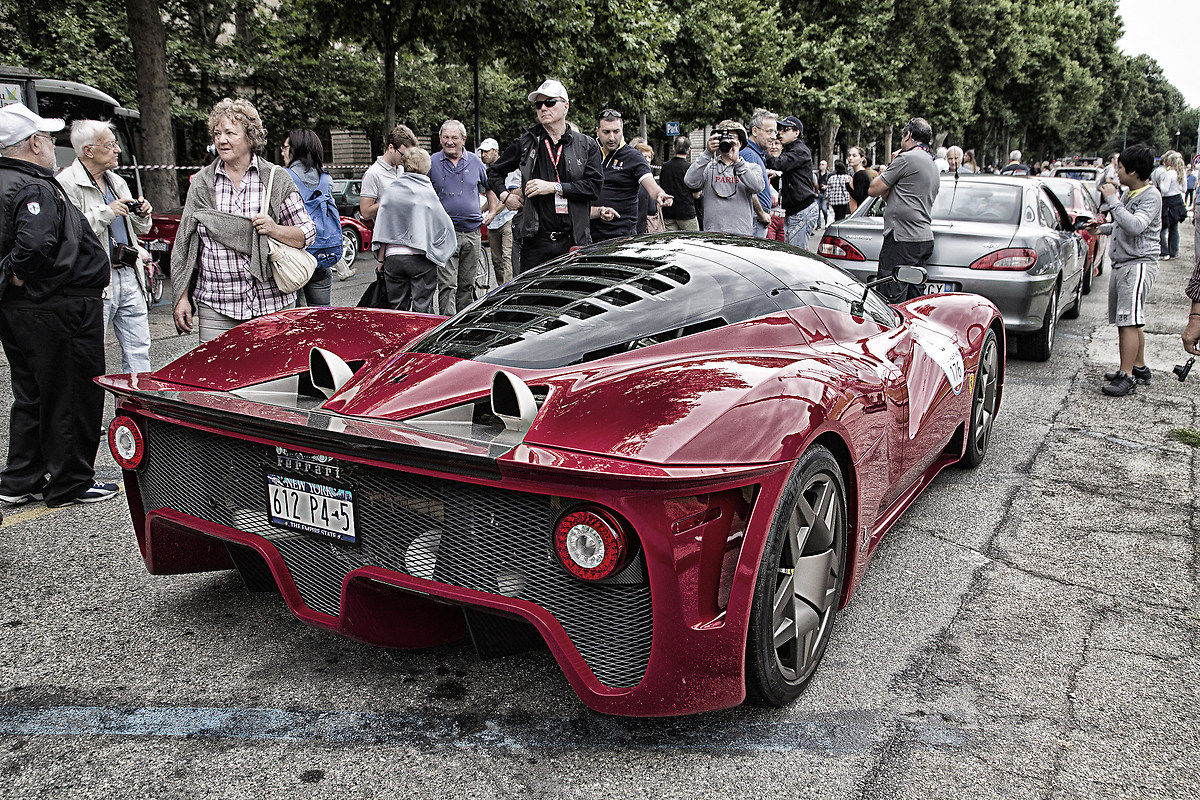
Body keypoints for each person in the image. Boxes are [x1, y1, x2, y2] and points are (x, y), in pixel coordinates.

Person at [0, 102, 117, 507]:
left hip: (23, 308)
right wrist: (18, 272)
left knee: (32, 392)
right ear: (33, 143)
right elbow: (34, 243)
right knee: (71, 393)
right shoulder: (32, 185)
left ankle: (22, 477)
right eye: (48, 138)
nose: (52, 145)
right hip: (57, 306)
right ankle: (68, 481)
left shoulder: (9, 180)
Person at [171, 98, 315, 342]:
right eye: (217, 133)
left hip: (271, 303)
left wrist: (274, 229)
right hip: (216, 304)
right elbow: (184, 243)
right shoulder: (202, 183)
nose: (221, 140)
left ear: (250, 137)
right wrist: (181, 296)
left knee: (272, 375)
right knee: (217, 378)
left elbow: (307, 233)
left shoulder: (275, 178)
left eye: (230, 132)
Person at [56, 119, 154, 374]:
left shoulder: (116, 181)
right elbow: (68, 232)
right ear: (88, 150)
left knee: (139, 348)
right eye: (110, 144)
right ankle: (89, 410)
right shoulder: (67, 183)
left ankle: (136, 407)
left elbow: (141, 230)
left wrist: (142, 213)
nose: (118, 149)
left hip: (129, 273)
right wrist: (106, 212)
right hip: (96, 280)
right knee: (89, 350)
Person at [486, 79, 603, 271]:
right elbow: (493, 172)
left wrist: (553, 187)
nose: (543, 108)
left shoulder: (586, 144)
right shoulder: (526, 142)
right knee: (534, 297)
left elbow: (594, 187)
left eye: (549, 102)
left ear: (565, 107)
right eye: (538, 104)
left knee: (574, 295)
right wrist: (506, 197)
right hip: (536, 240)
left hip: (574, 239)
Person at [1087, 144, 1160, 396]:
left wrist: (1113, 200)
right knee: (1131, 319)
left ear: (1134, 171)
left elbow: (1136, 226)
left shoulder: (1150, 196)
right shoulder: (1131, 194)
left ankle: (1126, 376)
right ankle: (1138, 367)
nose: (1116, 171)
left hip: (1137, 264)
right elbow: (1122, 224)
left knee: (1128, 321)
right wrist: (1102, 228)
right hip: (1124, 264)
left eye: (1119, 167)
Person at [372, 147, 456, 314]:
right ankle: (423, 339)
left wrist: (381, 260)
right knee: (422, 308)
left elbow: (383, 227)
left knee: (397, 309)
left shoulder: (391, 191)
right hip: (420, 257)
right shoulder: (427, 192)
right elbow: (443, 224)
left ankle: (400, 338)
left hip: (393, 257)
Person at [867, 117, 940, 304]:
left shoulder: (907, 159)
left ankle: (894, 332)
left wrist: (892, 163)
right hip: (922, 237)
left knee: (892, 296)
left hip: (902, 238)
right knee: (915, 299)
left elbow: (874, 189)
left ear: (908, 135)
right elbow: (889, 196)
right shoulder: (932, 162)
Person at [429, 120, 491, 315]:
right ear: (440, 139)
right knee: (447, 283)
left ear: (463, 139)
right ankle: (446, 323)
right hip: (445, 233)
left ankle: (463, 323)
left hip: (472, 232)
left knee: (467, 283)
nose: (449, 142)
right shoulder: (431, 162)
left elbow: (490, 187)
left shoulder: (475, 161)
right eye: (445, 137)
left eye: (454, 137)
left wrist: (492, 211)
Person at [589, 110, 671, 241]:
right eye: (606, 132)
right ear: (597, 131)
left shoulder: (634, 157)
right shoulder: (590, 153)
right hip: (589, 233)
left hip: (621, 235)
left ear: (622, 130)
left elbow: (650, 183)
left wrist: (659, 194)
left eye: (616, 132)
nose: (611, 137)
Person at [281, 129, 342, 306]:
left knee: (295, 319)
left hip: (294, 260)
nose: (283, 152)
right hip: (322, 255)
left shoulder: (284, 177)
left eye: (285, 147)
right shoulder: (326, 179)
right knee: (322, 316)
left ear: (296, 149)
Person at [684, 120, 764, 237]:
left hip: (741, 235)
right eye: (722, 137)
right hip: (713, 235)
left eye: (732, 137)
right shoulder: (709, 167)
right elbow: (689, 181)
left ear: (740, 143)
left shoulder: (751, 167)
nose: (727, 141)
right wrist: (707, 153)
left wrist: (737, 162)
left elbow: (758, 187)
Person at [763, 116, 819, 249]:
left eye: (785, 129)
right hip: (795, 210)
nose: (780, 133)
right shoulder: (792, 150)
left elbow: (778, 164)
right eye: (779, 129)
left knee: (796, 255)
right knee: (794, 251)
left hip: (801, 210)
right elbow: (791, 178)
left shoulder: (799, 150)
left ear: (796, 133)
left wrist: (764, 148)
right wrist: (776, 178)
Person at [360, 124, 418, 221]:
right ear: (391, 148)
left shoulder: (401, 169)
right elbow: (365, 212)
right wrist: (391, 200)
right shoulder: (373, 174)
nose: (405, 160)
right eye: (403, 155)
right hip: (386, 233)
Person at [479, 138, 515, 286]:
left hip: (507, 218)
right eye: (482, 152)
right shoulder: (485, 170)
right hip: (493, 223)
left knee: (508, 257)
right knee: (496, 260)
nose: (484, 155)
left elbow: (507, 197)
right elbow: (492, 199)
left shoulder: (507, 167)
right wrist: (480, 210)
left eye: (487, 151)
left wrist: (492, 212)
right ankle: (501, 289)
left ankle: (510, 291)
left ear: (495, 151)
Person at [741, 108, 778, 237]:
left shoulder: (755, 153)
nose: (774, 136)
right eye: (769, 131)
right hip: (756, 218)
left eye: (775, 131)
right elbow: (748, 189)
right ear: (755, 131)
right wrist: (762, 214)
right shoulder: (750, 154)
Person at [659, 136, 698, 231]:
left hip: (668, 211)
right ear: (689, 150)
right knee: (692, 242)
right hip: (686, 212)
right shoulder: (690, 168)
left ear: (674, 148)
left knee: (672, 243)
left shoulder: (665, 167)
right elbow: (696, 195)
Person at [1156, 150, 1186, 260]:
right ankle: (1173, 251)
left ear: (1171, 162)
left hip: (1168, 201)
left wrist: (1161, 183)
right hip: (1178, 200)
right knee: (1174, 228)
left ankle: (1164, 251)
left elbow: (1164, 189)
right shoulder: (1181, 173)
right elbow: (1184, 189)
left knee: (1163, 227)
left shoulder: (1169, 174)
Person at [632, 141, 666, 234]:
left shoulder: (649, 178)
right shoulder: (634, 177)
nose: (647, 159)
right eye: (644, 156)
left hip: (646, 224)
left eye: (649, 157)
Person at [847, 146, 874, 212]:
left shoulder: (860, 175)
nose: (850, 158)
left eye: (854, 156)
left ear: (861, 159)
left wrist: (847, 185)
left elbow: (858, 196)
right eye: (849, 155)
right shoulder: (859, 173)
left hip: (860, 211)